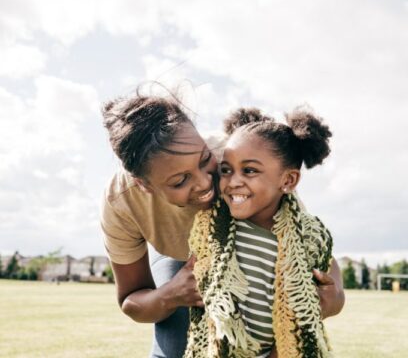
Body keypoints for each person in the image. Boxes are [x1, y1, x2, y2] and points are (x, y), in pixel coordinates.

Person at [100, 90, 344, 358]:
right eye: (180, 181)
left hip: (241, 263)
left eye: (206, 161)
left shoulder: (239, 160)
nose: (206, 183)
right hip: (179, 259)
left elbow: (303, 250)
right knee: (174, 347)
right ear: (143, 184)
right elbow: (131, 300)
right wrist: (171, 294)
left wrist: (334, 297)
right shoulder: (121, 201)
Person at [185, 107, 343, 358]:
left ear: (288, 181)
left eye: (249, 170)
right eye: (226, 170)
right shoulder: (215, 229)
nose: (233, 181)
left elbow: (328, 271)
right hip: (222, 349)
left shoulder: (304, 235)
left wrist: (337, 297)